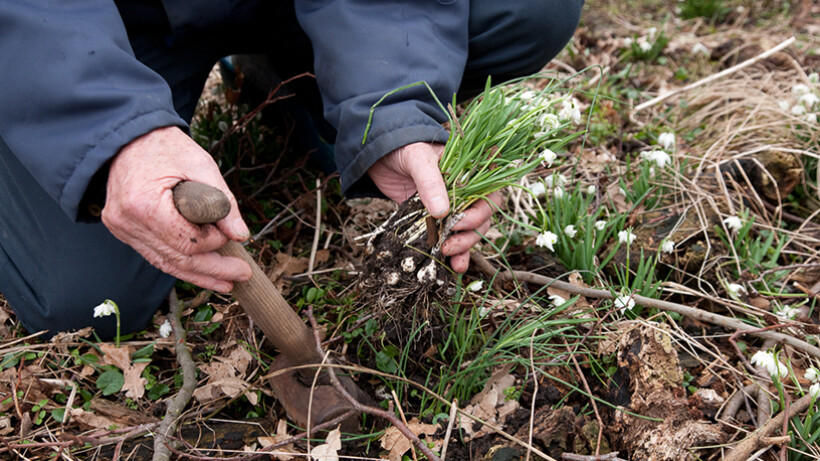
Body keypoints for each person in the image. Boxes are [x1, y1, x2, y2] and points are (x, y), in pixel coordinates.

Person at [0, 0, 584, 340]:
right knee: (89, 303)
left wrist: (396, 109)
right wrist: (109, 132)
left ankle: (285, 74)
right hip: (90, 28)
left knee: (526, 8)